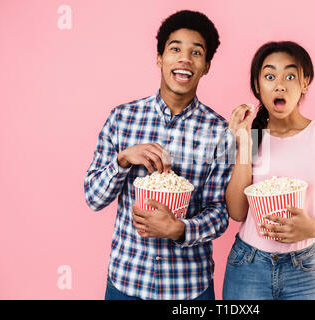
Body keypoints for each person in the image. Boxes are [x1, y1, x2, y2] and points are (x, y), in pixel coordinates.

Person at [84, 10, 235, 300]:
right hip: (126, 282)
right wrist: (123, 159)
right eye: (175, 49)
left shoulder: (221, 132)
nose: (184, 59)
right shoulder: (122, 118)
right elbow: (93, 197)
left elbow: (220, 214)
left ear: (206, 66)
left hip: (189, 288)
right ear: (159, 58)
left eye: (196, 53)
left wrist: (180, 228)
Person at [222, 41, 315, 300]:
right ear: (258, 87)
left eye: (290, 76)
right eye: (270, 76)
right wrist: (244, 144)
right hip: (247, 266)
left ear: (305, 82)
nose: (279, 84)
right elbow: (236, 212)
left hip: (305, 269)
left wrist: (312, 227)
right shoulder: (243, 136)